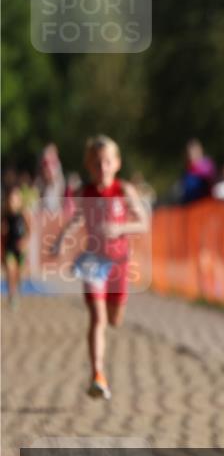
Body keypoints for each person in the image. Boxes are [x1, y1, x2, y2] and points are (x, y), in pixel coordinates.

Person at [50, 136, 150, 400]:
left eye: (107, 161)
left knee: (115, 320)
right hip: (94, 260)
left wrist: (120, 228)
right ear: (88, 165)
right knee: (98, 317)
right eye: (96, 162)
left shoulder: (124, 190)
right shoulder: (86, 193)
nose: (102, 167)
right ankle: (98, 374)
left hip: (119, 262)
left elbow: (143, 223)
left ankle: (99, 370)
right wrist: (61, 240)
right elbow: (77, 219)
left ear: (117, 163)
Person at [2, 187, 30, 308]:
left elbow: (29, 230)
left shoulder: (23, 214)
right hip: (9, 247)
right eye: (10, 199)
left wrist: (25, 241)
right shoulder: (4, 215)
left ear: (19, 201)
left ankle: (17, 292)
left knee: (19, 274)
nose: (12, 202)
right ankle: (11, 295)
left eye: (14, 199)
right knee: (10, 271)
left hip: (20, 249)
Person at [180, 139, 216, 204]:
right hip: (192, 206)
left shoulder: (207, 167)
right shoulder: (188, 171)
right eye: (190, 153)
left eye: (195, 152)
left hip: (207, 204)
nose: (192, 155)